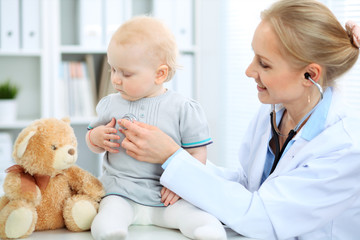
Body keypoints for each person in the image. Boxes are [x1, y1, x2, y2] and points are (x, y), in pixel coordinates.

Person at [118, 1, 360, 239]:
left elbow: (264, 218)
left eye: (264, 63)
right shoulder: (274, 112)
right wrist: (181, 154)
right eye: (254, 56)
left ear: (310, 75)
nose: (249, 70)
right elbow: (248, 184)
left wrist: (172, 157)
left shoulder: (345, 147)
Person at [85, 16, 226, 240]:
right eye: (113, 70)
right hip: (121, 191)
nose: (116, 80)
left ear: (160, 74)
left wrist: (183, 184)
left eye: (126, 73)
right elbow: (92, 143)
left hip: (167, 195)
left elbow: (197, 153)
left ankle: (207, 231)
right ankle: (111, 233)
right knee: (108, 213)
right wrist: (96, 138)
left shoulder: (182, 108)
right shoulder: (111, 104)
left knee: (194, 215)